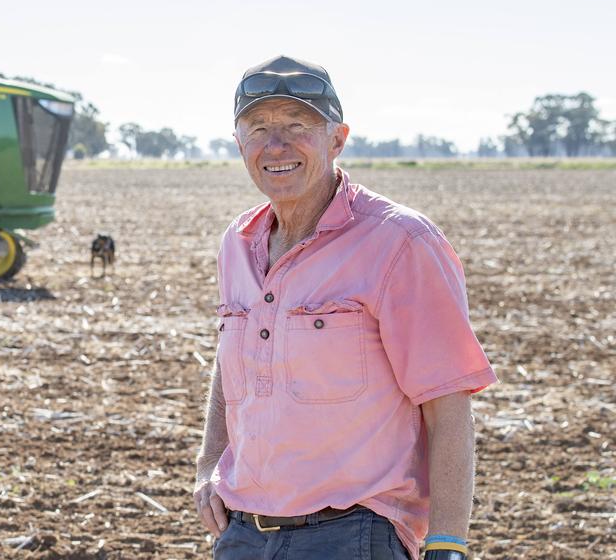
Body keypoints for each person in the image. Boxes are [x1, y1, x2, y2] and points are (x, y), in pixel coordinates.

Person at [193, 56, 497, 560]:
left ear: (337, 139)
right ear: (239, 143)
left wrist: (448, 545)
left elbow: (448, 403)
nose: (276, 145)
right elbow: (232, 363)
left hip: (353, 537)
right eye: (259, 128)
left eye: (298, 126)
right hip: (242, 536)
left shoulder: (399, 242)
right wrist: (208, 464)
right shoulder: (238, 243)